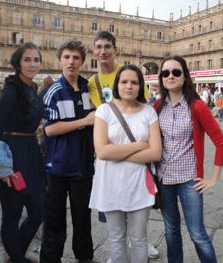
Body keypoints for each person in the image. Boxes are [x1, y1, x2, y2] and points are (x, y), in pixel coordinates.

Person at [87, 30, 160, 260]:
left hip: (140, 183)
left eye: (134, 82)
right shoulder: (103, 111)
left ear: (141, 86)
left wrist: (115, 152)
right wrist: (139, 146)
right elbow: (101, 151)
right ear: (118, 85)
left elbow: (155, 152)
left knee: (139, 238)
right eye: (125, 82)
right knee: (116, 237)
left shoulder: (149, 112)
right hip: (109, 183)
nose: (129, 86)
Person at [154, 56, 223, 263]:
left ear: (185, 76)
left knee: (197, 233)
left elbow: (221, 142)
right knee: (171, 230)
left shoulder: (197, 106)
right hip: (164, 179)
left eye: (176, 72)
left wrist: (213, 179)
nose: (170, 76)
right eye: (165, 72)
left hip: (189, 180)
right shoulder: (158, 105)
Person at [0, 42, 47, 263]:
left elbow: (31, 111)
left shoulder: (31, 88)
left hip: (31, 154)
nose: (33, 64)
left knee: (36, 214)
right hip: (13, 156)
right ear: (17, 63)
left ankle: (16, 257)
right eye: (27, 59)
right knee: (12, 216)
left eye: (36, 59)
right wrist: (3, 170)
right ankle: (17, 259)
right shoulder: (10, 90)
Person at [40, 39, 96, 263]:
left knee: (83, 219)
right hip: (57, 167)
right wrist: (83, 121)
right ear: (59, 60)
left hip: (83, 167)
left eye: (76, 57)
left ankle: (85, 258)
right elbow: (51, 129)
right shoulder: (52, 91)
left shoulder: (89, 89)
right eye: (67, 57)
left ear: (82, 61)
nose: (71, 62)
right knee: (54, 221)